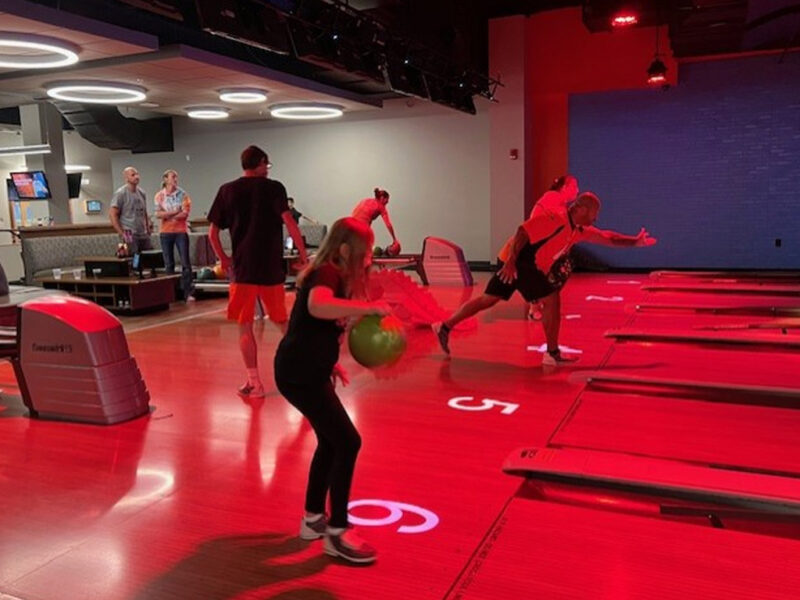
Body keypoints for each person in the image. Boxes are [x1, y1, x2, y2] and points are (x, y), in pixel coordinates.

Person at [274, 217, 390, 564]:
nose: (368, 257)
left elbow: (315, 327)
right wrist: (368, 308)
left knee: (331, 440)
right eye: (364, 251)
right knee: (348, 441)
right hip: (299, 375)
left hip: (307, 370)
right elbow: (316, 306)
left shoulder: (335, 275)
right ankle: (337, 533)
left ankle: (313, 519)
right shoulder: (326, 273)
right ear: (343, 250)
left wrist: (331, 362)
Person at [433, 192, 656, 367]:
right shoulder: (556, 218)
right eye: (594, 212)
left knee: (487, 300)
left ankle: (444, 327)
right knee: (551, 298)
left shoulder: (577, 229)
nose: (596, 217)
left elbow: (608, 237)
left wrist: (635, 242)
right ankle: (552, 354)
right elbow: (522, 232)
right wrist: (511, 262)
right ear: (582, 208)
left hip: (517, 262)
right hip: (520, 260)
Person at [207, 145, 308, 399]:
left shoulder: (227, 190)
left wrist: (224, 259)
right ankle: (309, 371)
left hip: (243, 270)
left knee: (245, 326)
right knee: (282, 322)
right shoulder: (275, 188)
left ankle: (255, 383)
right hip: (270, 267)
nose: (268, 169)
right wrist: (304, 254)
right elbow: (289, 222)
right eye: (267, 164)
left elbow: (212, 233)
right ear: (261, 162)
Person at [528, 174, 580, 320]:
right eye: (574, 187)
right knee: (562, 265)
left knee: (564, 264)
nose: (577, 190)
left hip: (541, 247)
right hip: (536, 250)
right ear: (564, 187)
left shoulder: (556, 200)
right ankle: (536, 306)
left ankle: (541, 303)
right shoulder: (553, 198)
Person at [154, 169, 194, 302]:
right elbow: (158, 214)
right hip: (165, 233)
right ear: (165, 179)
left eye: (176, 177)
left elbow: (184, 214)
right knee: (168, 263)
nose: (175, 179)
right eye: (173, 177)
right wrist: (174, 212)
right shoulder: (160, 195)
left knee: (185, 263)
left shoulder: (183, 195)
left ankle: (187, 292)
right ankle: (170, 294)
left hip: (180, 232)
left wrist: (168, 214)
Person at [109, 166, 152, 255]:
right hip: (128, 231)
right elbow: (113, 214)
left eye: (137, 174)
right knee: (133, 255)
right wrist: (121, 233)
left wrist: (148, 227)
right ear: (126, 178)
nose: (136, 177)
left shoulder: (141, 193)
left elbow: (144, 212)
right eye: (133, 175)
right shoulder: (121, 193)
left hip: (142, 231)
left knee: (148, 255)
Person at [351, 187, 400, 252]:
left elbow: (357, 211)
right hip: (362, 225)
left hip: (351, 222)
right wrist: (394, 239)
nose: (388, 202)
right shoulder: (381, 207)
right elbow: (388, 225)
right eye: (387, 200)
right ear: (382, 198)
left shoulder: (366, 200)